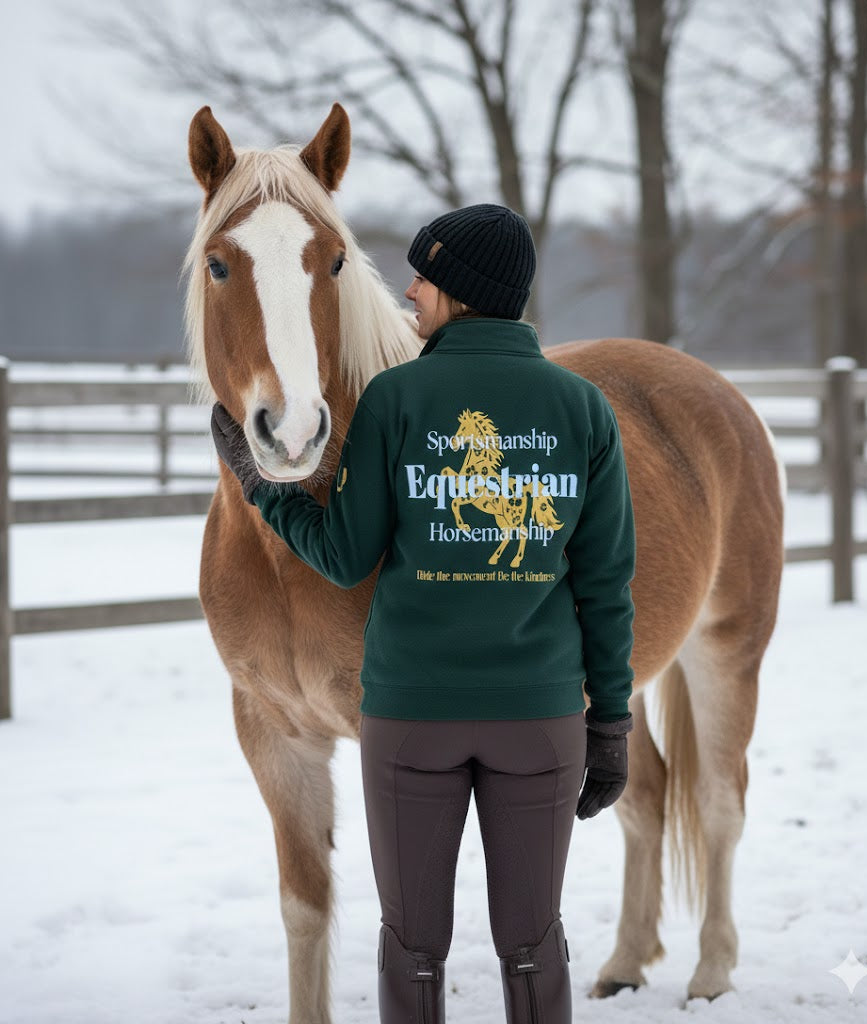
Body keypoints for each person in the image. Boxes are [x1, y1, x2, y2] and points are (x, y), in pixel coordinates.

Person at [211, 204, 635, 1024]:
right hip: (538, 719)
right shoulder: (584, 410)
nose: (409, 290)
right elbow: (605, 584)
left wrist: (264, 490)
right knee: (533, 939)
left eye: (425, 277)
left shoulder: (396, 399)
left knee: (411, 945)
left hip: (411, 720)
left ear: (461, 292)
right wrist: (610, 721)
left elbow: (342, 556)